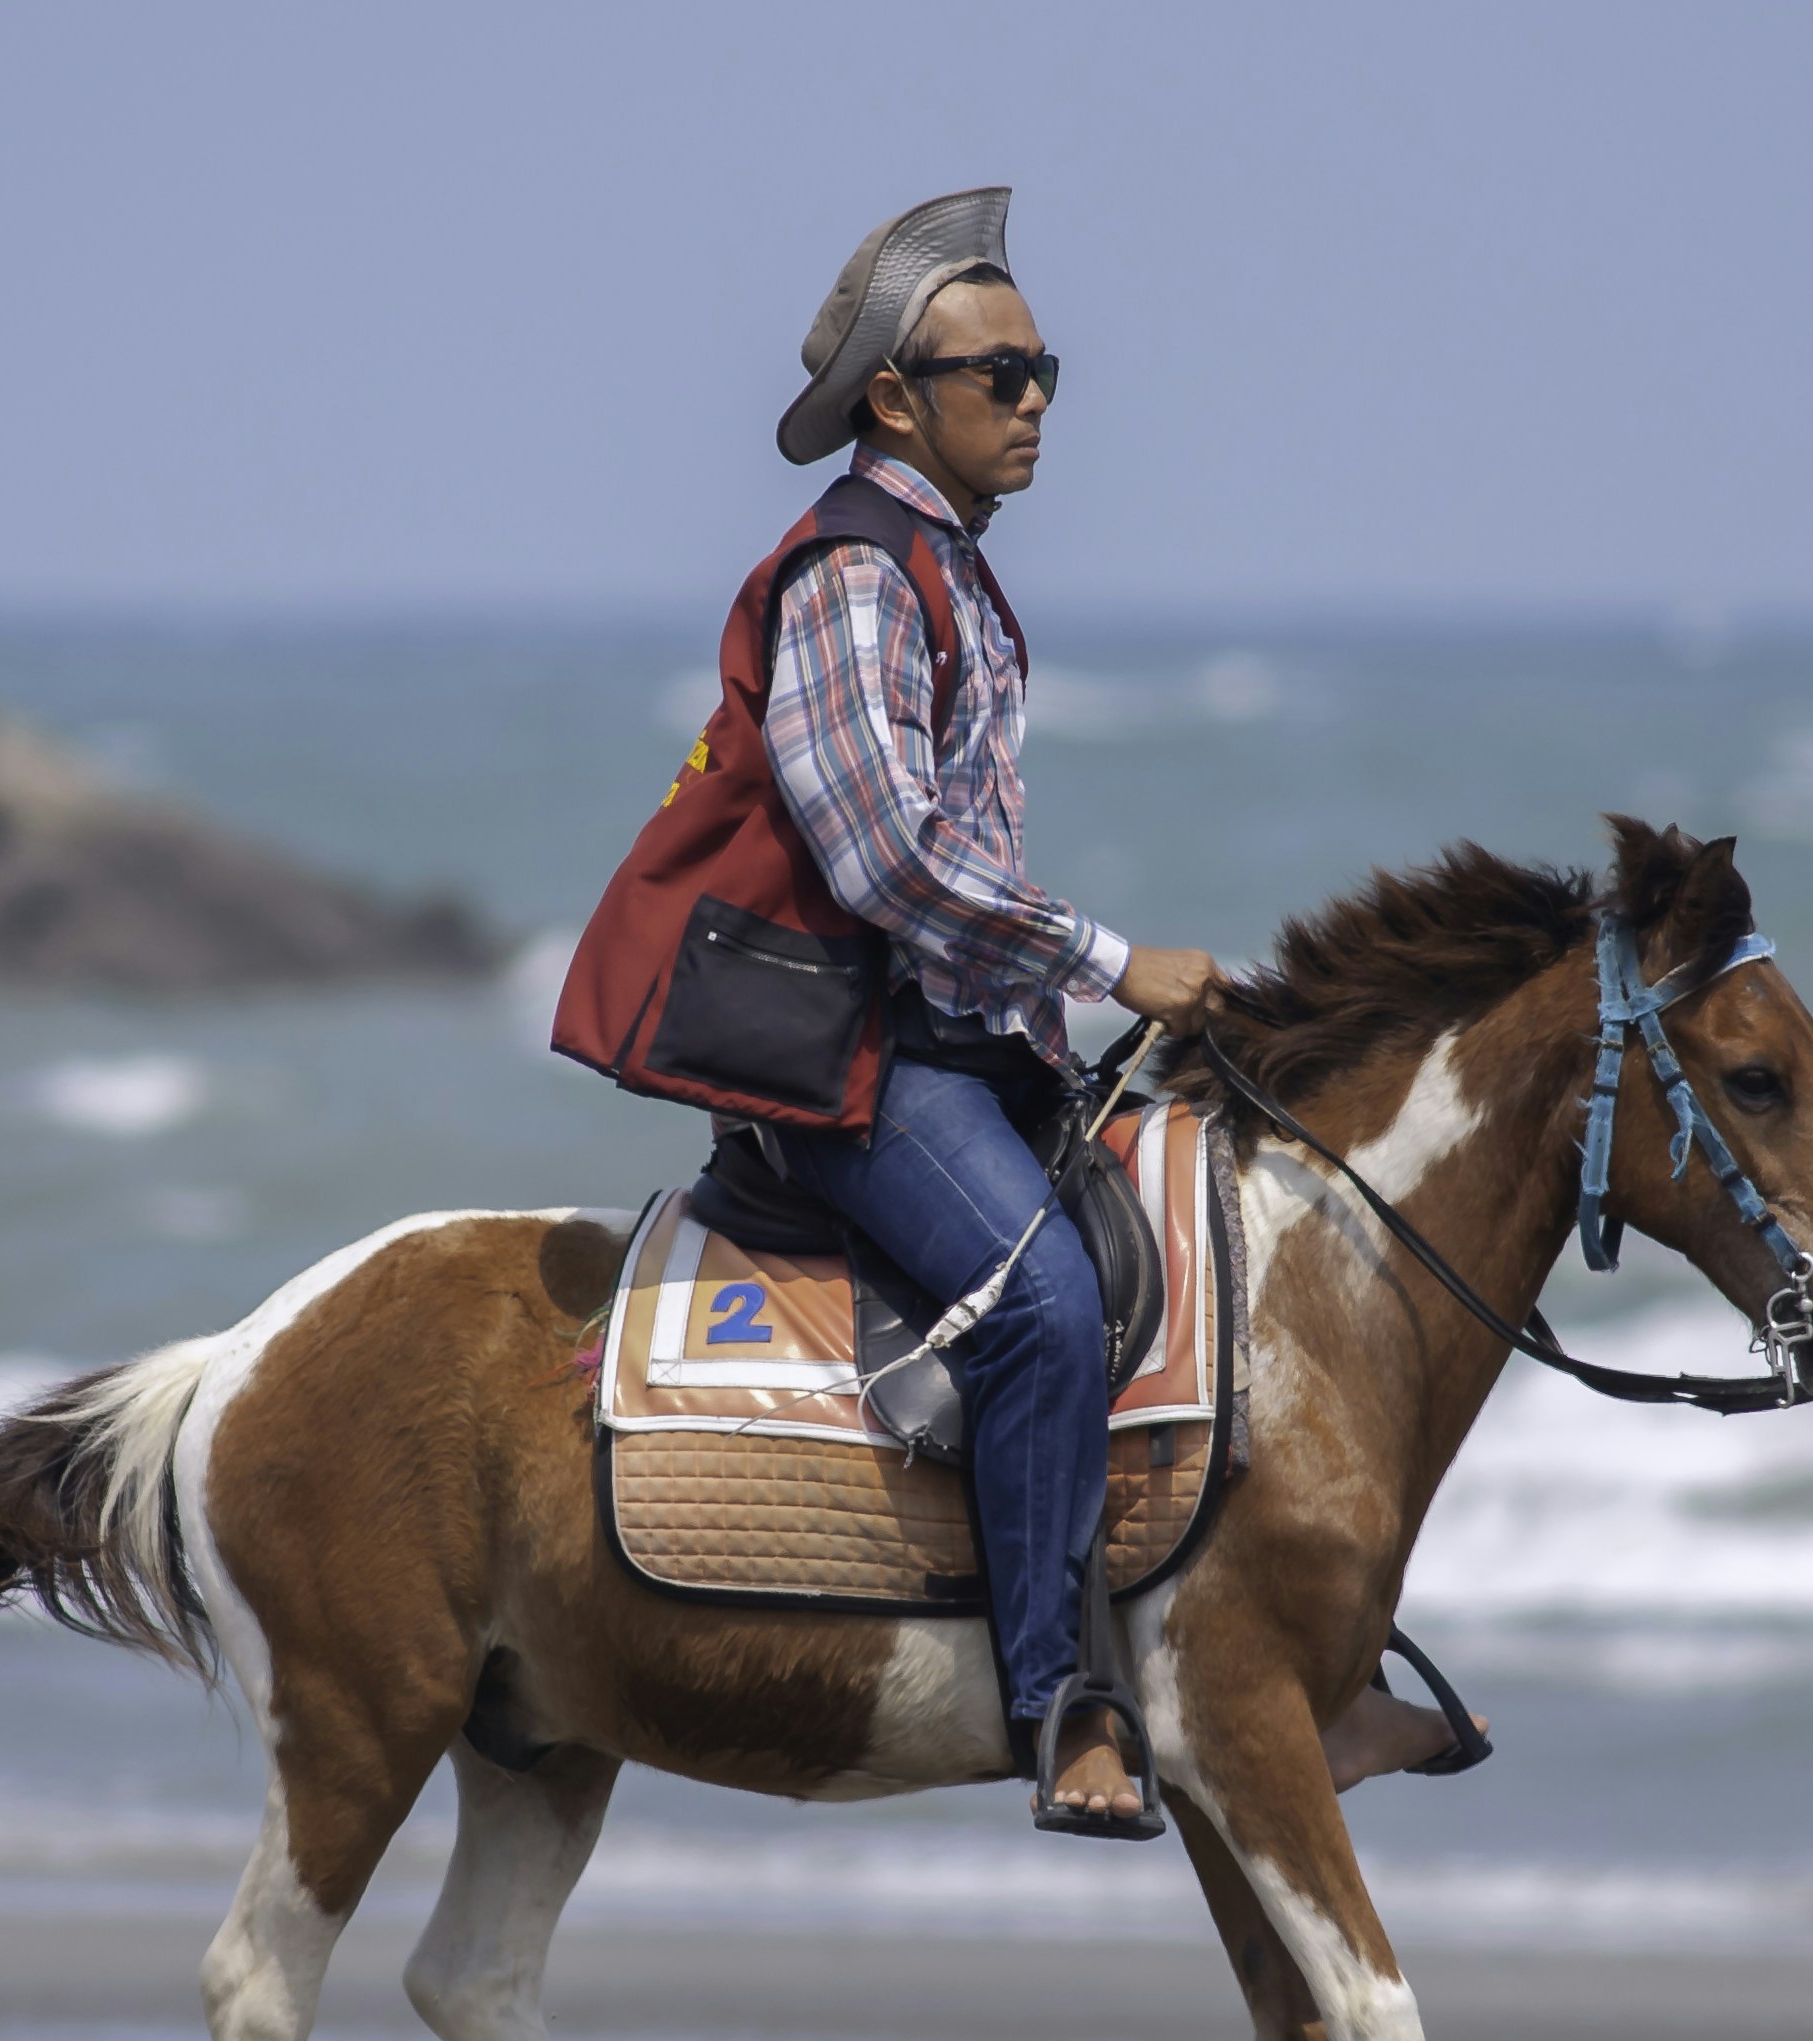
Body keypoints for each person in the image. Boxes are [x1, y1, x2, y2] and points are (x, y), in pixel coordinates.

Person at [567, 188, 1468, 1822]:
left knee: (1234, 1248)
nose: (1037, 399)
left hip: (962, 1046)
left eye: (1048, 368)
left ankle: (1304, 1676)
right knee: (1048, 1305)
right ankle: (1062, 1710)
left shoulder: (957, 575)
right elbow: (884, 860)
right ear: (896, 399)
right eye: (1002, 374)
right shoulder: (854, 574)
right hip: (854, 1067)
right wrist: (1112, 961)